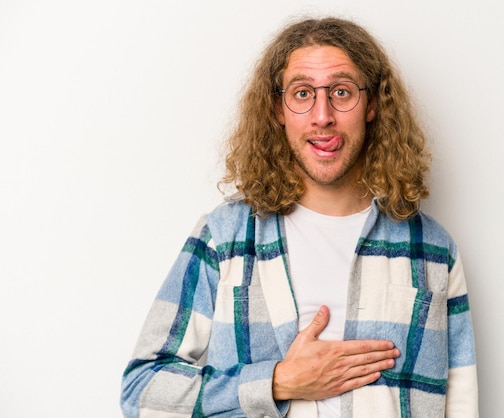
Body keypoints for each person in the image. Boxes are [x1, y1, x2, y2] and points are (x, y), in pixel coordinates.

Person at [120, 17, 478, 418]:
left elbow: (460, 404)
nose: (322, 115)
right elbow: (141, 392)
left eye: (341, 92)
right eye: (303, 93)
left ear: (373, 104)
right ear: (278, 109)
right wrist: (278, 382)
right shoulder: (225, 238)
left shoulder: (432, 249)